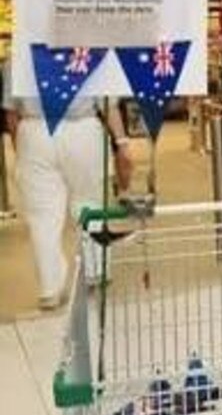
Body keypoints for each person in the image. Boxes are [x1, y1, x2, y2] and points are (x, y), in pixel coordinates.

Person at [2, 63, 134, 310]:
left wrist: (22, 148)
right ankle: (95, 271)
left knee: (42, 218)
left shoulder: (19, 53)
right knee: (88, 203)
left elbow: (11, 113)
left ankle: (50, 289)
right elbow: (108, 104)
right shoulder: (87, 46)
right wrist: (122, 143)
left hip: (34, 130)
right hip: (82, 129)